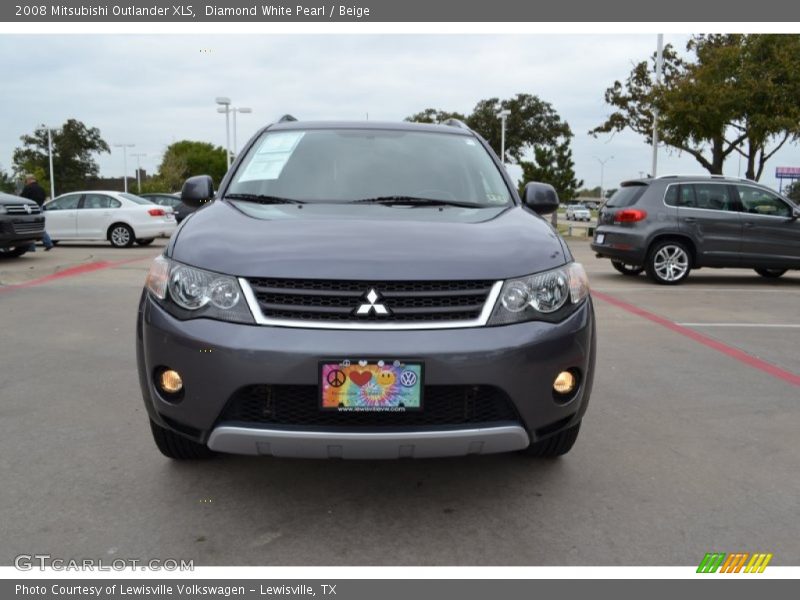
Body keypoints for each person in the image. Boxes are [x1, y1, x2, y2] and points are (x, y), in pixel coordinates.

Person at [20, 174, 54, 251]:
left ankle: (31, 247)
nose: (26, 182)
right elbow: (44, 198)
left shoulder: (28, 188)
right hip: (39, 208)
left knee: (28, 228)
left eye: (26, 180)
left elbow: (22, 198)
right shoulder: (41, 188)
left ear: (29, 180)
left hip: (30, 209)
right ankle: (48, 242)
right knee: (39, 227)